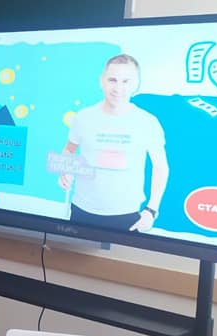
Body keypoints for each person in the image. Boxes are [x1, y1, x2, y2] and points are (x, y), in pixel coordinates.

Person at [58, 54, 170, 232]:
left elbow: (160, 167)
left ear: (136, 84)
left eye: (126, 81)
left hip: (127, 214)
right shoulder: (83, 117)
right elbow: (69, 150)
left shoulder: (147, 122)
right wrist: (66, 171)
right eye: (112, 80)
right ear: (102, 81)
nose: (118, 88)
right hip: (81, 210)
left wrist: (151, 210)